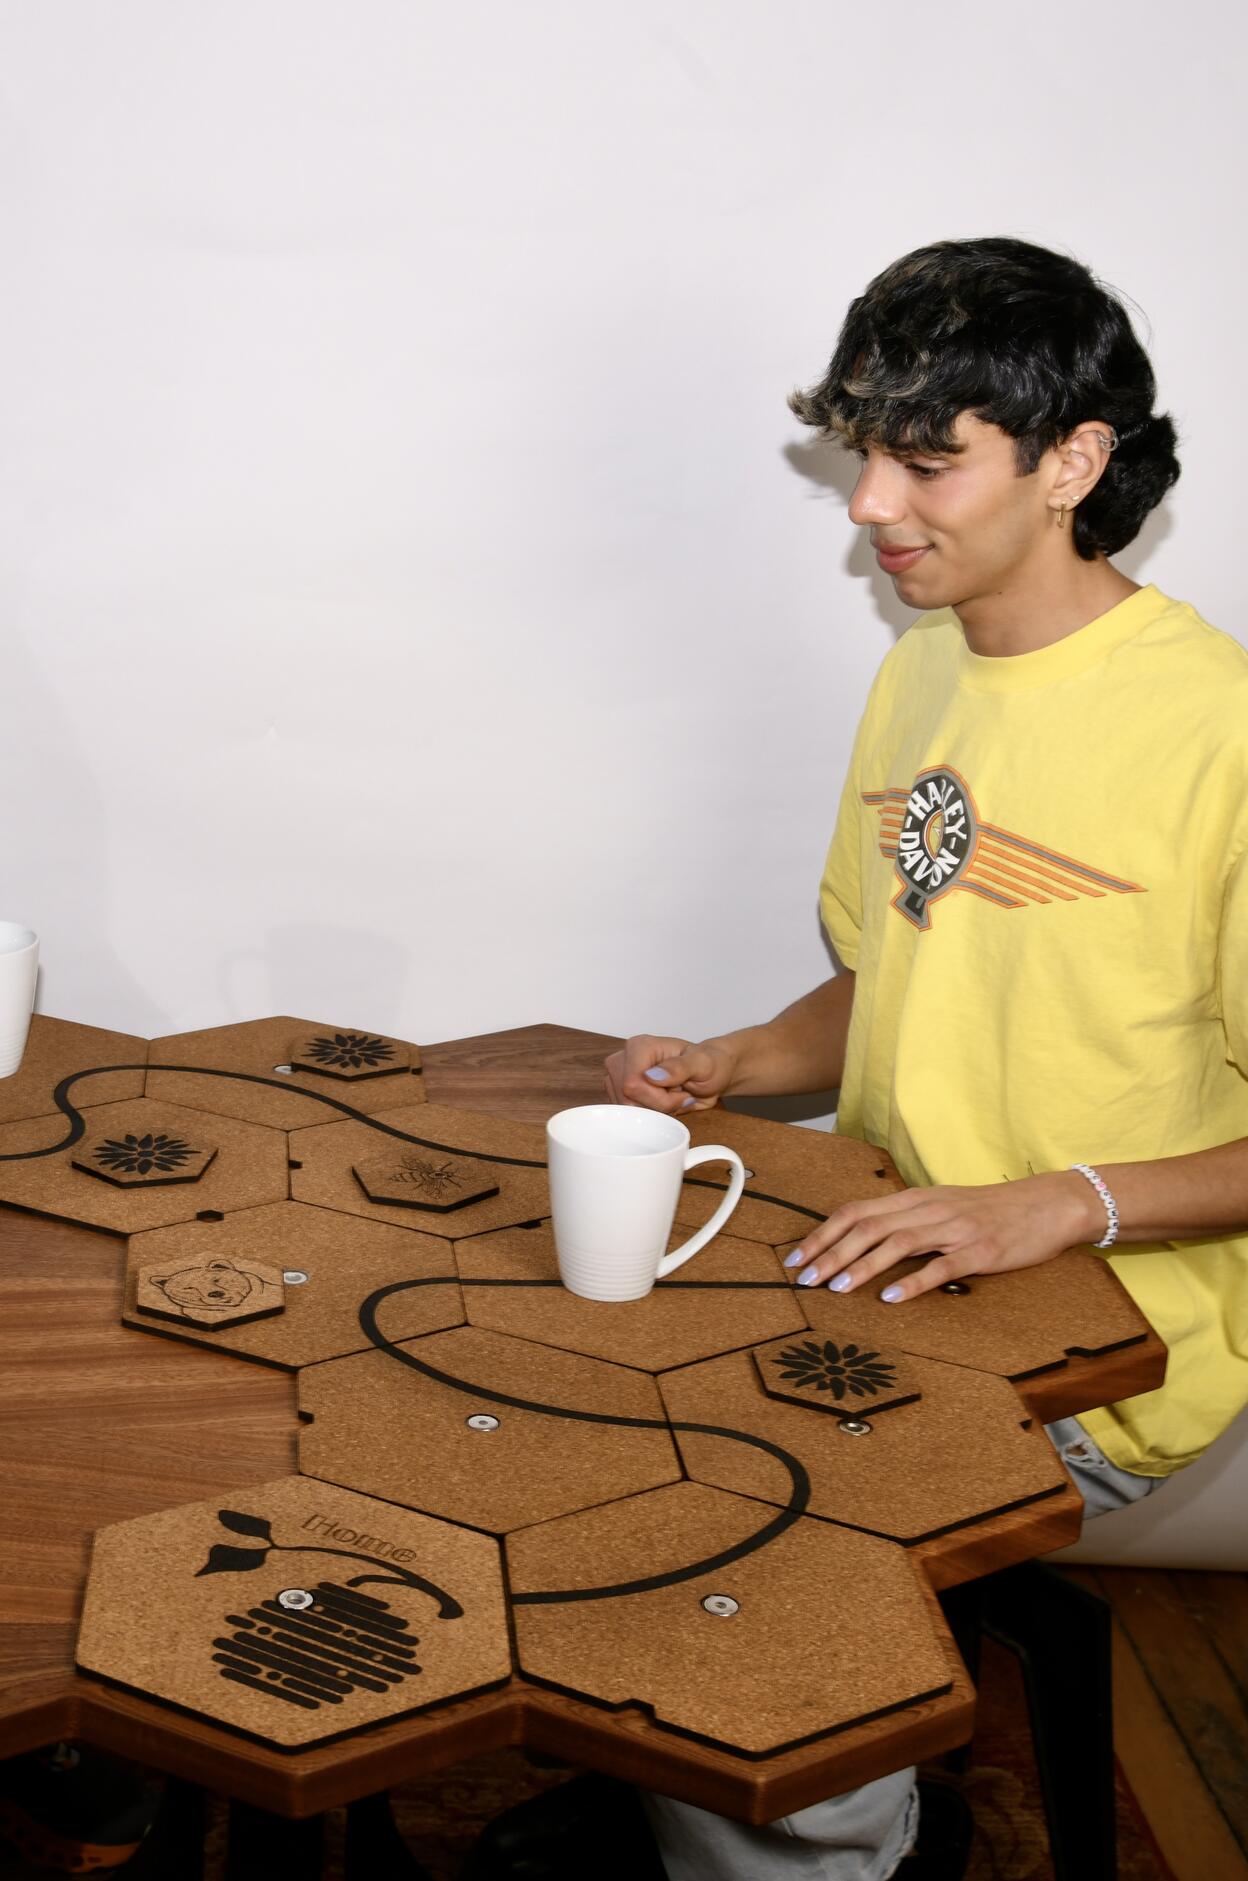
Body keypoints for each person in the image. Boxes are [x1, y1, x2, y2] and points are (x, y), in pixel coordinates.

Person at [473, 237, 1234, 1879]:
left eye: (927, 455)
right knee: (535, 1397)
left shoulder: (1219, 733)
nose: (870, 503)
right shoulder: (921, 670)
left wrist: (1053, 1204)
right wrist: (729, 1059)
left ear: (1073, 462)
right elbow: (886, 975)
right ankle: (683, 1783)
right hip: (875, 1263)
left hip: (1115, 1340)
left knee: (738, 1574)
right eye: (860, 450)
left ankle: (801, 1829)